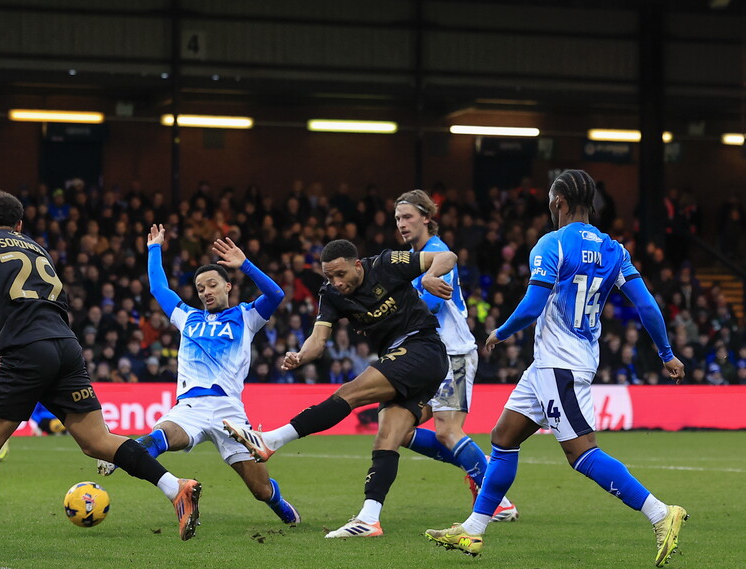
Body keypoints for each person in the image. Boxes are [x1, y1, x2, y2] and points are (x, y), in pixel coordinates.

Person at [0, 191, 202, 569]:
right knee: (97, 441)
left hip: (25, 349)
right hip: (65, 346)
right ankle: (175, 487)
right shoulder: (39, 249)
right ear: (20, 225)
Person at [424, 170, 688, 567]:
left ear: (559, 201)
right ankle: (474, 530)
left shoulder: (552, 244)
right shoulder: (614, 249)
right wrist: (666, 352)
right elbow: (647, 305)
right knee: (504, 436)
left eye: (551, 200)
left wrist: (499, 331)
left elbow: (532, 306)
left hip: (559, 365)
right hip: (556, 363)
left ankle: (660, 513)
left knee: (582, 454)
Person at [225, 239, 457, 538]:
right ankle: (369, 519)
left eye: (340, 274)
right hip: (400, 359)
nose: (336, 282)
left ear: (357, 265)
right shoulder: (331, 295)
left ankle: (271, 440)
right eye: (329, 277)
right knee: (386, 438)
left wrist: (428, 276)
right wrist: (301, 355)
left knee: (351, 391)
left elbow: (447, 256)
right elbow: (318, 341)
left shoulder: (386, 263)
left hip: (422, 346)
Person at [98, 226, 300, 525]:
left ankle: (278, 502)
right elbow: (158, 289)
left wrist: (244, 263)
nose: (206, 292)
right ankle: (120, 452)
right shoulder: (187, 316)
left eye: (212, 285)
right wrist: (154, 249)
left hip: (229, 411)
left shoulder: (246, 316)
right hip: (190, 407)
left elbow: (276, 293)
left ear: (228, 287)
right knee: (160, 438)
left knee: (260, 490)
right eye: (201, 287)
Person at [393, 189, 518, 521]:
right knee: (397, 428)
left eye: (407, 217)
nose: (401, 224)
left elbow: (433, 304)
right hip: (426, 354)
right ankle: (483, 469)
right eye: (397, 219)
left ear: (426, 218)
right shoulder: (410, 256)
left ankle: (499, 500)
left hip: (453, 352)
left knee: (448, 430)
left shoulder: (439, 253)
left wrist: (403, 295)